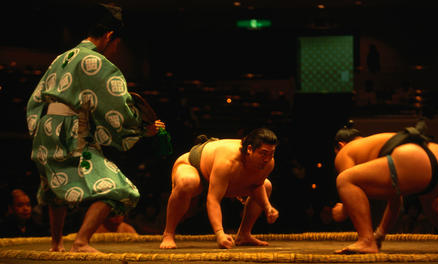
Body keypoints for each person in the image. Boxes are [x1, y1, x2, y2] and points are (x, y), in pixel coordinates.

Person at [25, 3, 165, 253]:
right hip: (70, 132)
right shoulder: (94, 61)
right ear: (110, 36)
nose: (114, 51)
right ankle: (81, 242)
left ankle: (56, 244)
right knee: (121, 190)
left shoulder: (61, 58)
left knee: (52, 189)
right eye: (116, 45)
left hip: (45, 132)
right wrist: (143, 128)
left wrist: (39, 130)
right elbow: (116, 106)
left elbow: (35, 99)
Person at [331, 120, 438, 254]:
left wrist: (342, 211)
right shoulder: (372, 145)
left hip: (410, 157)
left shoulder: (345, 150)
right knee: (430, 195)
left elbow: (348, 186)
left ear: (340, 145)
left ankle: (366, 240)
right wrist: (380, 235)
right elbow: (395, 202)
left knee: (344, 179)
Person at [159, 128, 279, 249]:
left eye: (271, 154)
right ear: (249, 149)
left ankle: (244, 234)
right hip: (194, 166)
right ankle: (168, 234)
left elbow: (257, 186)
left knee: (267, 185)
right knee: (187, 182)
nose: (267, 159)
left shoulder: (269, 163)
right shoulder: (227, 162)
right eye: (263, 153)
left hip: (225, 179)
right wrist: (220, 233)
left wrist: (267, 207)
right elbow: (213, 199)